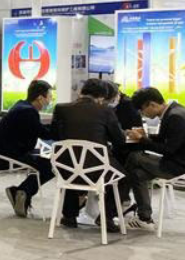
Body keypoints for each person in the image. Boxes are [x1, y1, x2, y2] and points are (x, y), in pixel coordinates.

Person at [50, 78, 128, 231]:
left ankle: (69, 216)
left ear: (81, 91)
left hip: (65, 168)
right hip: (97, 171)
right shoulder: (106, 111)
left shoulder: (61, 108)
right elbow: (119, 140)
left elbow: (54, 134)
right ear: (102, 97)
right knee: (124, 178)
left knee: (73, 160)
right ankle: (106, 217)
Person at [124, 87, 185, 230]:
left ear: (151, 104)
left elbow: (168, 150)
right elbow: (167, 140)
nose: (142, 114)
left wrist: (142, 140)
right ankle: (145, 219)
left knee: (134, 157)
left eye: (142, 110)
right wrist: (145, 136)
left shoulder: (176, 117)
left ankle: (118, 202)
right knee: (137, 174)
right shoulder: (175, 111)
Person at [0, 80, 54, 217]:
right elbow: (44, 133)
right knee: (51, 165)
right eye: (49, 97)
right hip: (6, 157)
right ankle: (22, 191)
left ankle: (20, 192)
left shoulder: (21, 105)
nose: (50, 100)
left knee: (43, 157)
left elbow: (37, 129)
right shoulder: (28, 112)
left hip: (0, 153)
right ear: (40, 98)